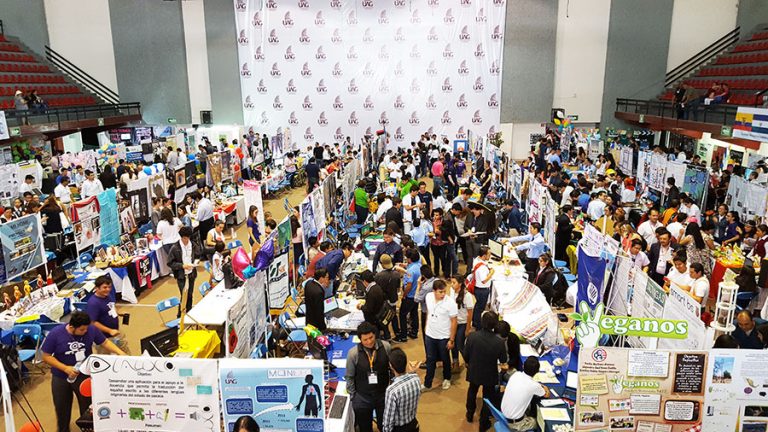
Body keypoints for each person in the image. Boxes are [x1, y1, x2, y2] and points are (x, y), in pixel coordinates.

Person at [41, 311, 127, 432]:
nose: (85, 331)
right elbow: (46, 356)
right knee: (62, 408)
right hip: (61, 376)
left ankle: (88, 429)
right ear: (72, 327)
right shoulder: (55, 334)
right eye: (82, 330)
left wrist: (120, 353)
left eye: (86, 328)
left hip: (84, 374)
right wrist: (65, 368)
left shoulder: (90, 329)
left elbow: (104, 342)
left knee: (87, 407)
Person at [464, 311, 508, 430]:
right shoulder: (499, 342)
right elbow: (503, 360)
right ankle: (483, 423)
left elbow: (466, 354)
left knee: (472, 391)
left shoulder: (472, 336)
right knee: (487, 397)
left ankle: (469, 414)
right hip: (490, 373)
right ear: (495, 324)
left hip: (474, 370)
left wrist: (469, 363)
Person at [345, 321, 392, 432]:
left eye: (371, 337)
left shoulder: (386, 347)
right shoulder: (353, 354)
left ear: (375, 334)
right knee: (365, 428)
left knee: (384, 426)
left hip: (383, 395)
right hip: (362, 398)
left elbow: (392, 369)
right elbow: (349, 376)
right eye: (365, 339)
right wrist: (354, 396)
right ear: (360, 340)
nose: (369, 341)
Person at [422, 279, 458, 391]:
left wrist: (451, 339)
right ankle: (427, 383)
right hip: (430, 334)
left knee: (445, 358)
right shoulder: (428, 297)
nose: (443, 294)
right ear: (434, 291)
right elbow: (429, 312)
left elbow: (454, 321)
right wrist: (426, 325)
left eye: (444, 291)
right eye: (440, 292)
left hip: (443, 336)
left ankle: (447, 378)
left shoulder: (450, 303)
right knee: (430, 359)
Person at [500, 357, 550, 430]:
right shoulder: (534, 385)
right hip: (515, 424)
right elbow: (546, 395)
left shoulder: (516, 374)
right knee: (538, 423)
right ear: (537, 371)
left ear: (523, 366)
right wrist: (545, 388)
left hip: (503, 414)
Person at [382, 348, 421, 432]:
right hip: (413, 424)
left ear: (391, 366)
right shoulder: (416, 379)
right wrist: (413, 372)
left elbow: (388, 420)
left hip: (399, 429)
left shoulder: (391, 390)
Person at [86, 275, 129, 353]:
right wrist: (109, 331)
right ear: (97, 288)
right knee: (105, 357)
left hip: (116, 331)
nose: (108, 289)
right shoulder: (93, 303)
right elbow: (92, 322)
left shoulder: (108, 295)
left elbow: (111, 306)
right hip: (103, 338)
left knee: (124, 351)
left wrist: (118, 313)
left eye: (109, 287)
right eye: (105, 287)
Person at [167, 226, 203, 317]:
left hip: (191, 274)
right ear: (181, 237)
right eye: (184, 238)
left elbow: (198, 255)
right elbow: (170, 263)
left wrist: (196, 261)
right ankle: (180, 315)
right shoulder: (175, 248)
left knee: (190, 295)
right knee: (184, 295)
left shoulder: (193, 245)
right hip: (181, 275)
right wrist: (182, 266)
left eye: (188, 238)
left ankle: (189, 313)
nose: (186, 240)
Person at [449, 276, 474, 373]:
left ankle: (469, 361)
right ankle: (455, 363)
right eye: (451, 282)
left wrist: (468, 328)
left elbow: (470, 313)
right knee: (453, 343)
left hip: (463, 323)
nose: (452, 285)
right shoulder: (452, 291)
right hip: (453, 322)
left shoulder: (467, 295)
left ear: (460, 283)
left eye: (454, 282)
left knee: (460, 344)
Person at [396, 249, 422, 342]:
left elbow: (409, 285)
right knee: (414, 313)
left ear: (410, 259)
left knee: (402, 314)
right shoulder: (419, 266)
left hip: (409, 296)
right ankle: (414, 332)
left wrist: (404, 295)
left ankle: (403, 335)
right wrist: (403, 266)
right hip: (416, 295)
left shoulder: (410, 271)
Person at [376, 254, 402, 340]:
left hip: (383, 301)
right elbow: (398, 288)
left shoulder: (378, 276)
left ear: (382, 264)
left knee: (384, 318)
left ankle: (387, 335)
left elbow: (377, 290)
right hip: (393, 299)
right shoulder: (397, 274)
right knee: (393, 316)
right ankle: (397, 333)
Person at [469, 246, 494, 330]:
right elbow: (484, 280)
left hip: (478, 288)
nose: (490, 256)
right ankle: (478, 326)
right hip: (482, 290)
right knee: (480, 308)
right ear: (484, 256)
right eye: (489, 254)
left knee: (477, 306)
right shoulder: (482, 268)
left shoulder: (477, 260)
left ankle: (475, 321)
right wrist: (491, 272)